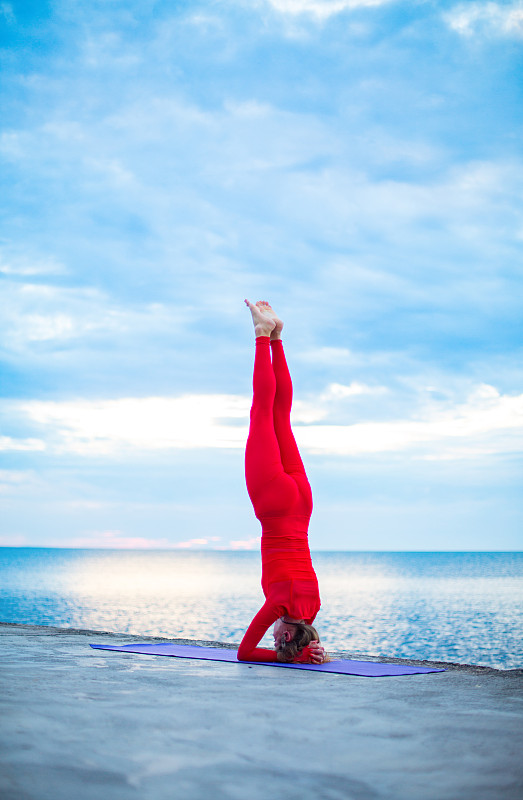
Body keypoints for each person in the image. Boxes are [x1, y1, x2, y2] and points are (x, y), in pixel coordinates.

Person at [237, 300, 326, 665]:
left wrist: (309, 652)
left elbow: (305, 634)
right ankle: (261, 335)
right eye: (278, 638)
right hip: (274, 505)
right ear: (285, 634)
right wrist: (295, 658)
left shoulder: (313, 605)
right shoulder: (278, 605)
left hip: (303, 504)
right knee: (263, 409)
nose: (273, 636)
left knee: (282, 416)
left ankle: (277, 337)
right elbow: (245, 653)